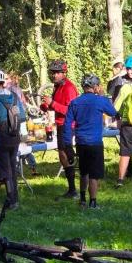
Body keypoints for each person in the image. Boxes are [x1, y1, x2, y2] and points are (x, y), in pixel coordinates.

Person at [63, 74, 116, 209]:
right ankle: (93, 202)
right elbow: (112, 112)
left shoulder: (75, 102)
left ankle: (82, 199)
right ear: (96, 87)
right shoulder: (100, 100)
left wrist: (67, 144)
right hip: (95, 142)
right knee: (94, 174)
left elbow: (67, 124)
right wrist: (103, 96)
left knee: (84, 171)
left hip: (81, 142)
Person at [0, 69, 26, 210]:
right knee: (12, 166)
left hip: (1, 139)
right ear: (3, 82)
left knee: (5, 169)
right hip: (14, 137)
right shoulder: (14, 96)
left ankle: (11, 200)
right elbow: (22, 116)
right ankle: (15, 198)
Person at [40, 60, 79, 200]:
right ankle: (72, 189)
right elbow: (56, 105)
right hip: (60, 124)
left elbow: (71, 110)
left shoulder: (69, 88)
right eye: (53, 73)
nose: (54, 75)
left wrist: (52, 103)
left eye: (57, 73)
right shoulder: (58, 86)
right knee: (63, 154)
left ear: (64, 73)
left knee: (65, 154)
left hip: (68, 125)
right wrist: (46, 106)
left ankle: (73, 190)